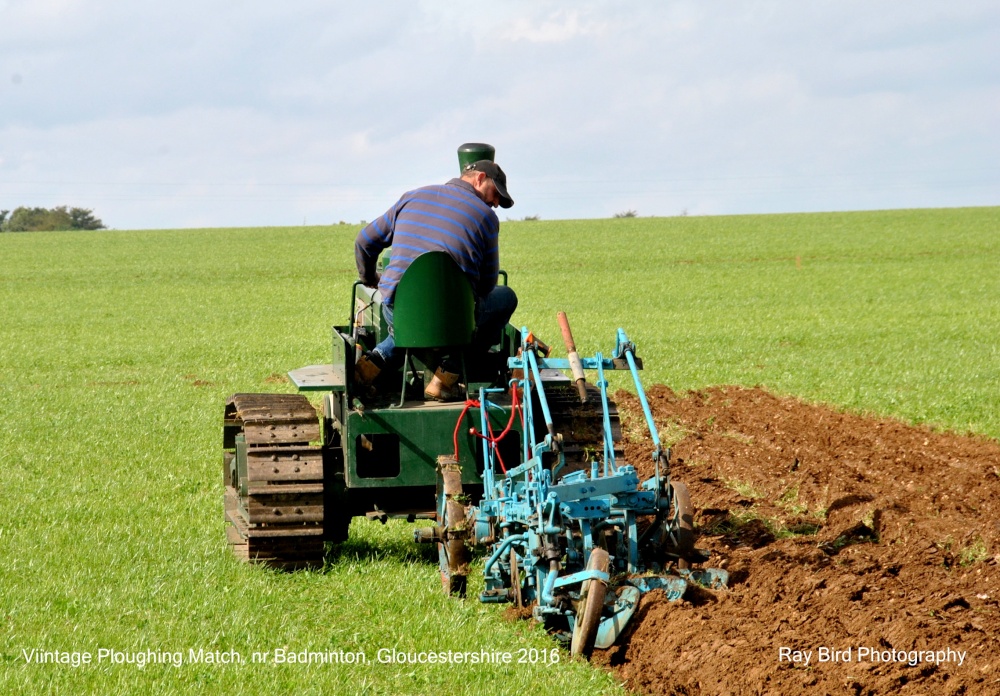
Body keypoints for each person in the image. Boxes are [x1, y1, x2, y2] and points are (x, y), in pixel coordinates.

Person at [353, 159, 518, 400]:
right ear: (480, 178)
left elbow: (364, 241)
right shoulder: (486, 218)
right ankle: (446, 377)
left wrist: (370, 278)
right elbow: (487, 284)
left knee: (406, 329)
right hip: (454, 323)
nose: (495, 203)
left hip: (398, 311)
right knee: (506, 298)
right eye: (495, 194)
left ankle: (371, 365)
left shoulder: (411, 198)